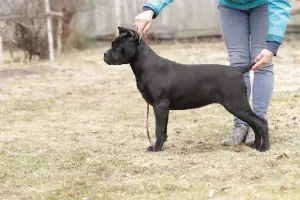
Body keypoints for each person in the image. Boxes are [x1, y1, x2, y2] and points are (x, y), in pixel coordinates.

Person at [135, 0, 291, 146]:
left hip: (264, 4)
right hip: (231, 6)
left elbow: (280, 2)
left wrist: (272, 45)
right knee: (237, 64)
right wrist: (150, 8)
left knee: (261, 64)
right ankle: (241, 125)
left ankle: (257, 124)